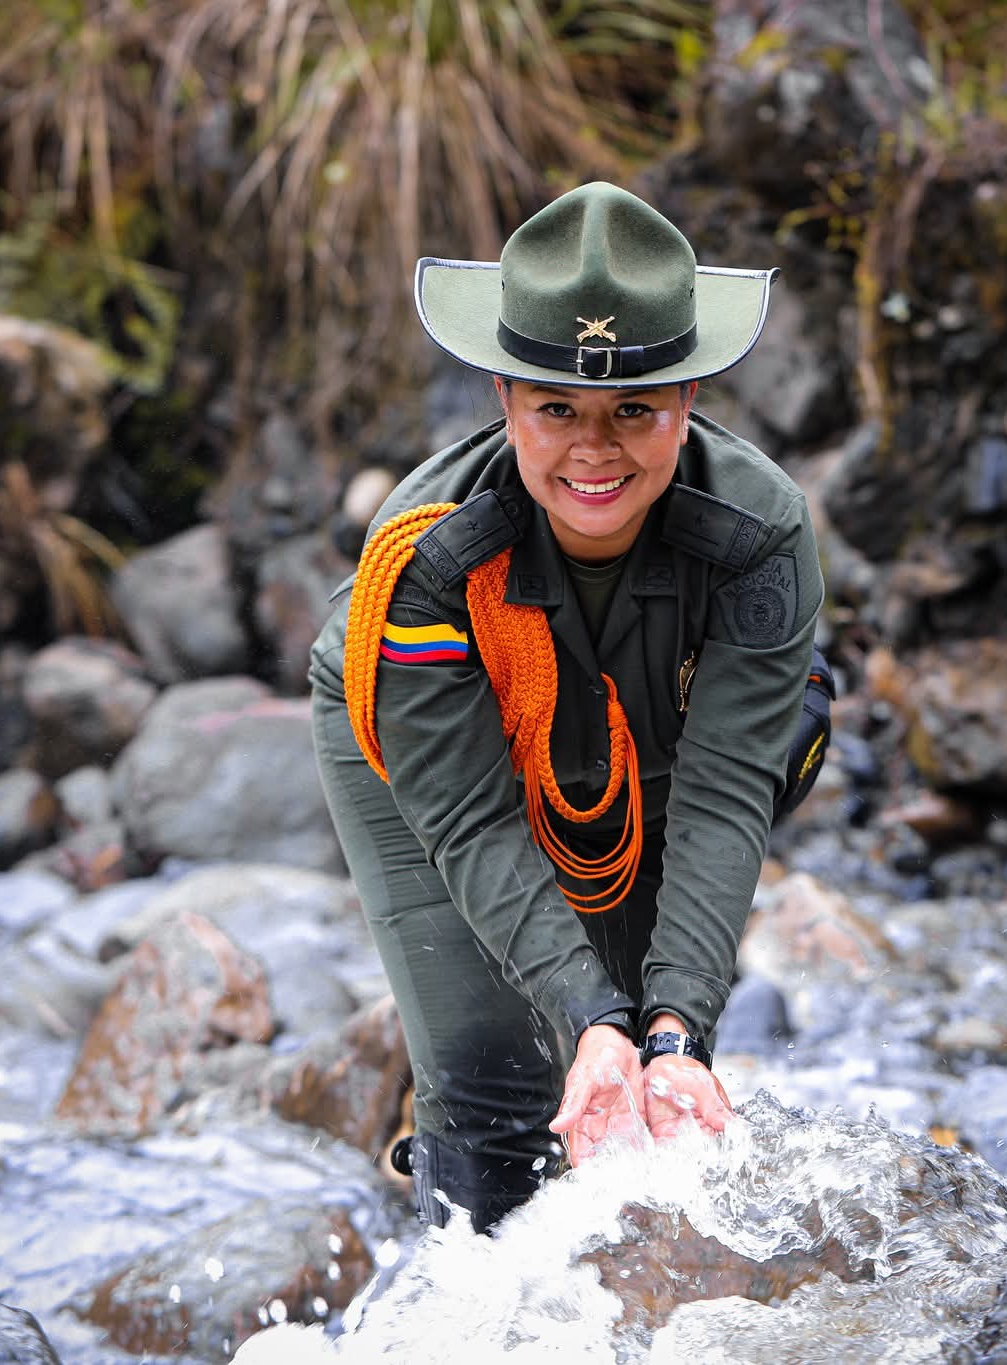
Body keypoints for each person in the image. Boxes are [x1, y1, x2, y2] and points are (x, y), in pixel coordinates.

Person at [308, 182, 829, 1234]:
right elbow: (467, 819)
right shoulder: (424, 556)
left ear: (687, 401)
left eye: (634, 410)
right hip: (420, 760)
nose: (595, 450)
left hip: (656, 746)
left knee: (657, 1074)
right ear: (504, 399)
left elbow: (726, 799)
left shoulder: (760, 534)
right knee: (495, 1075)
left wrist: (670, 1031)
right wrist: (587, 1013)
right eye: (557, 410)